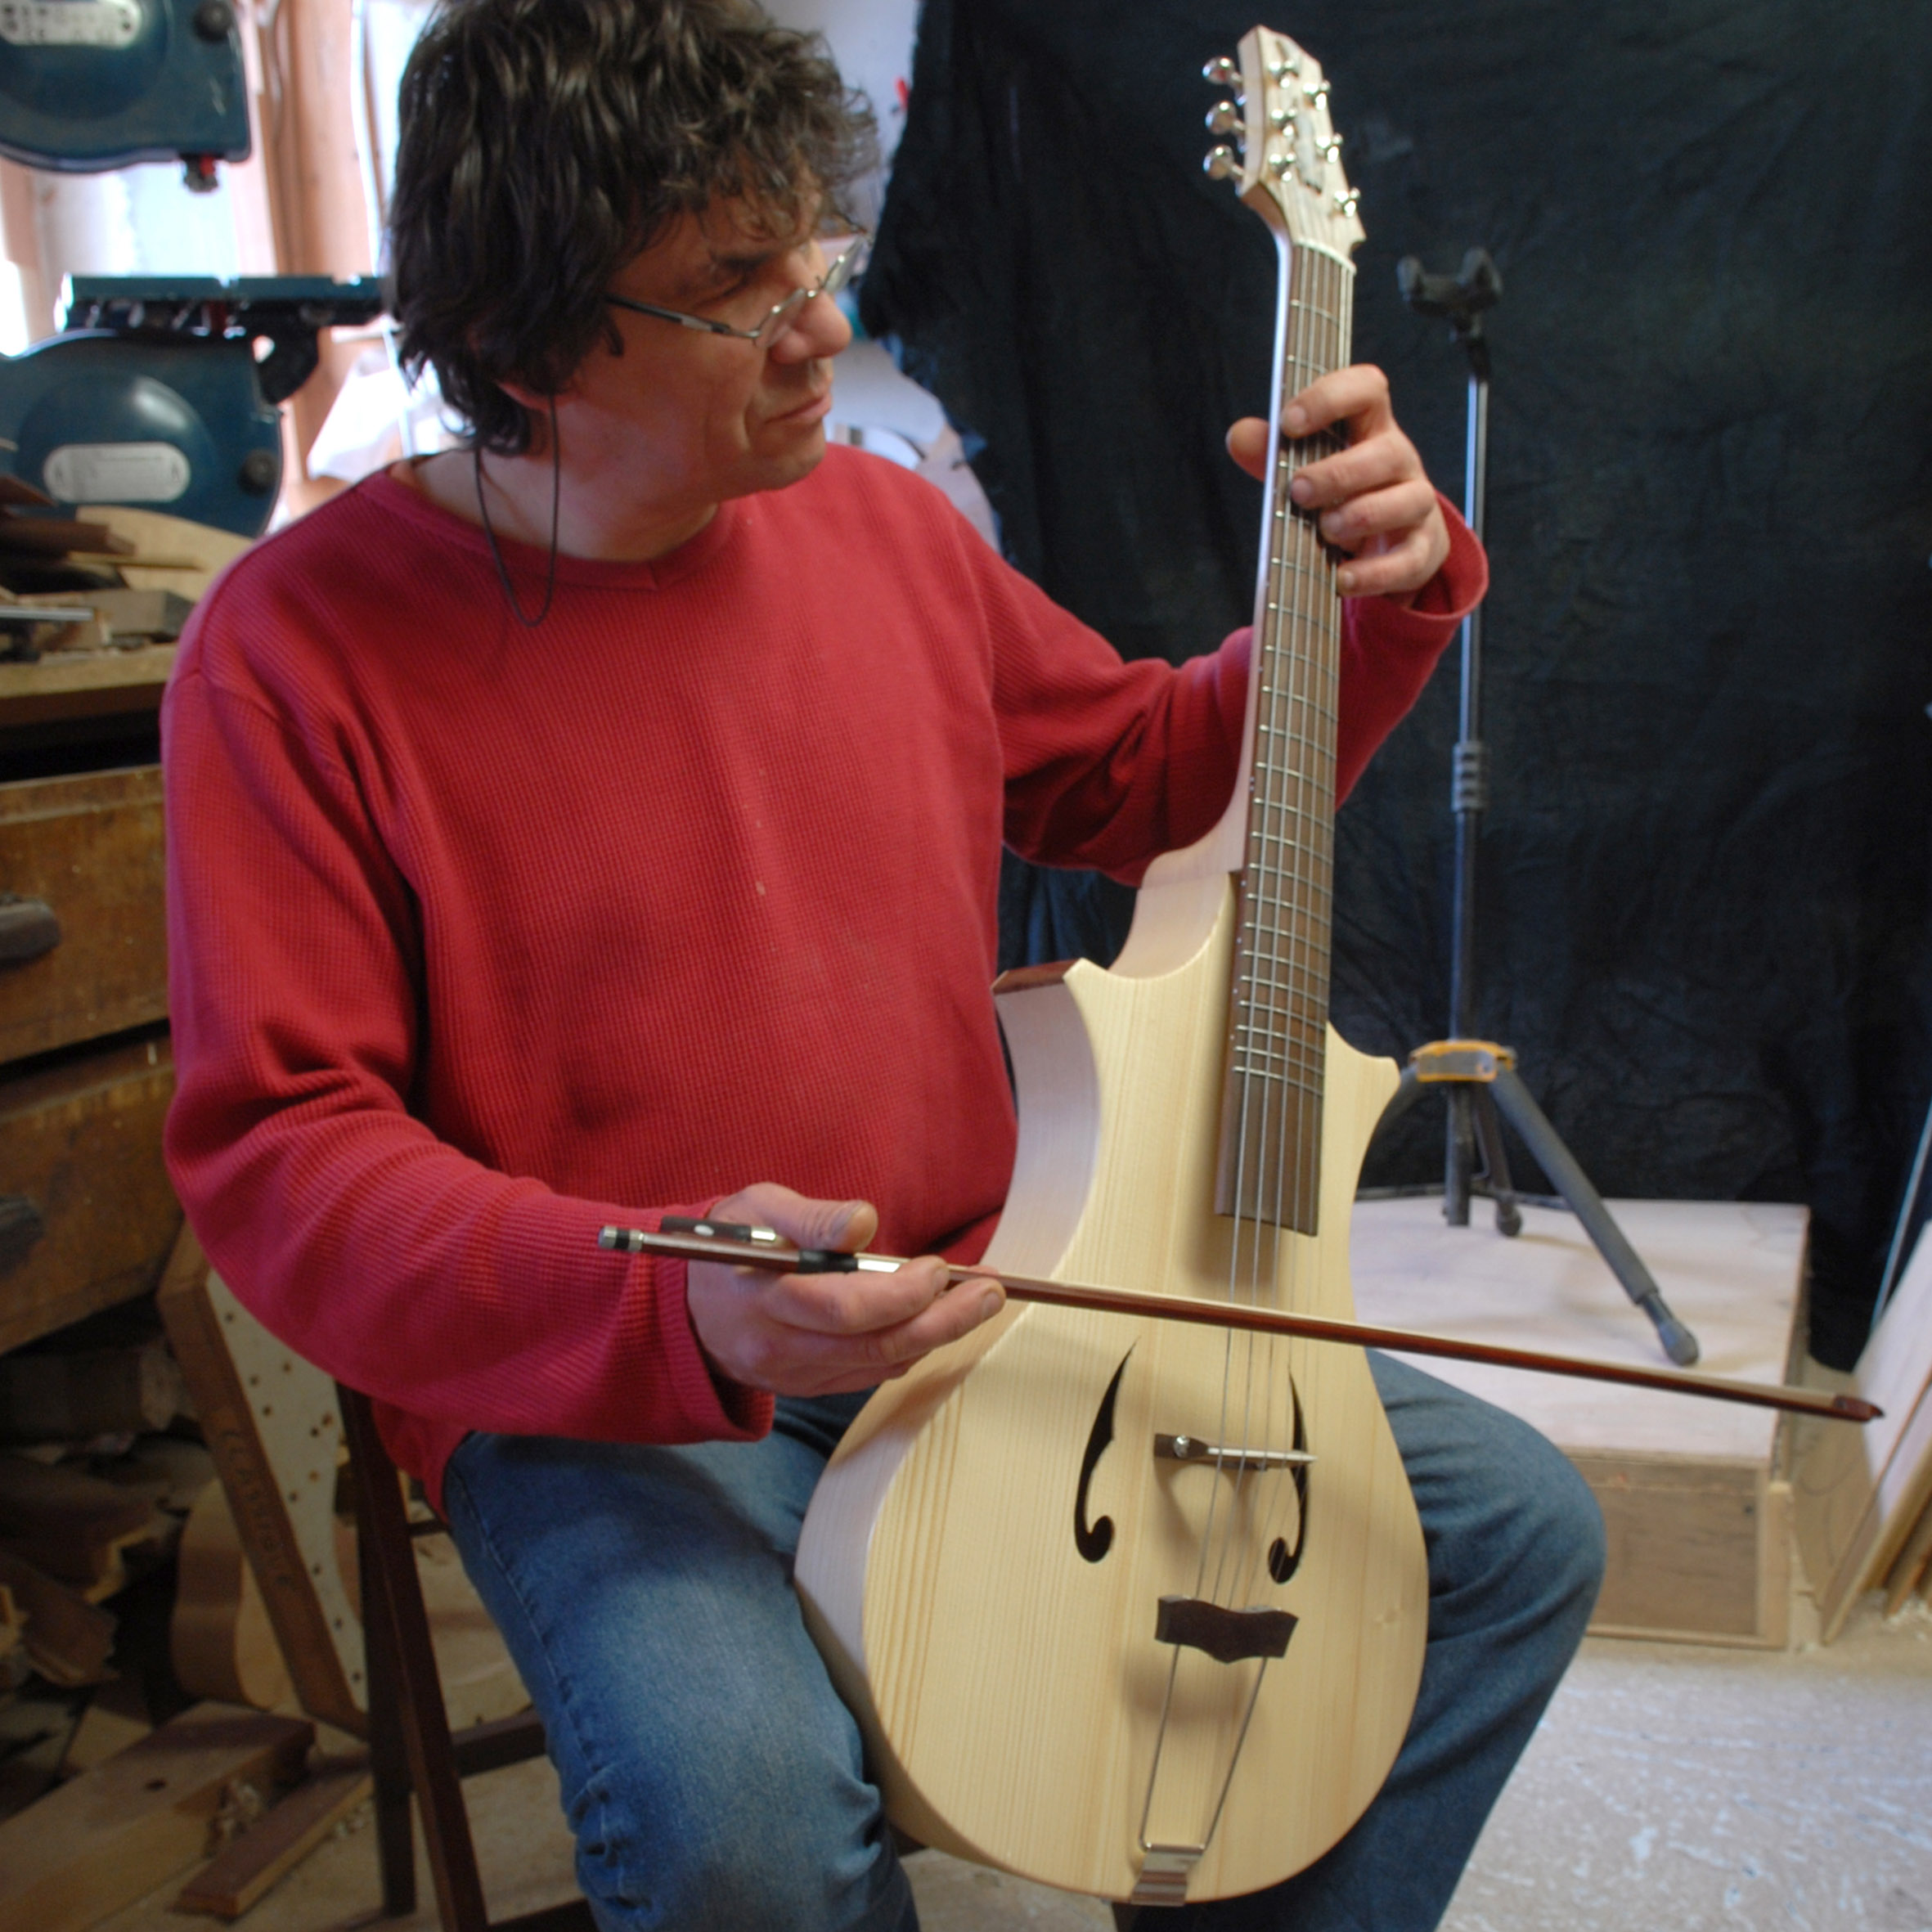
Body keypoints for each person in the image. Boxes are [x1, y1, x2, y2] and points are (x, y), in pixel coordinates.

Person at [161, 2, 1604, 1927]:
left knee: (1512, 1534)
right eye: (732, 288)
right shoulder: (292, 651)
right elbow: (283, 1152)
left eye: (813, 256)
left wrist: (1379, 584)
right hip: (614, 1383)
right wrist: (681, 1300)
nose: (817, 327)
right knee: (738, 1818)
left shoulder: (881, 537)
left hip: (988, 1295)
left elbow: (1152, 779)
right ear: (524, 333)